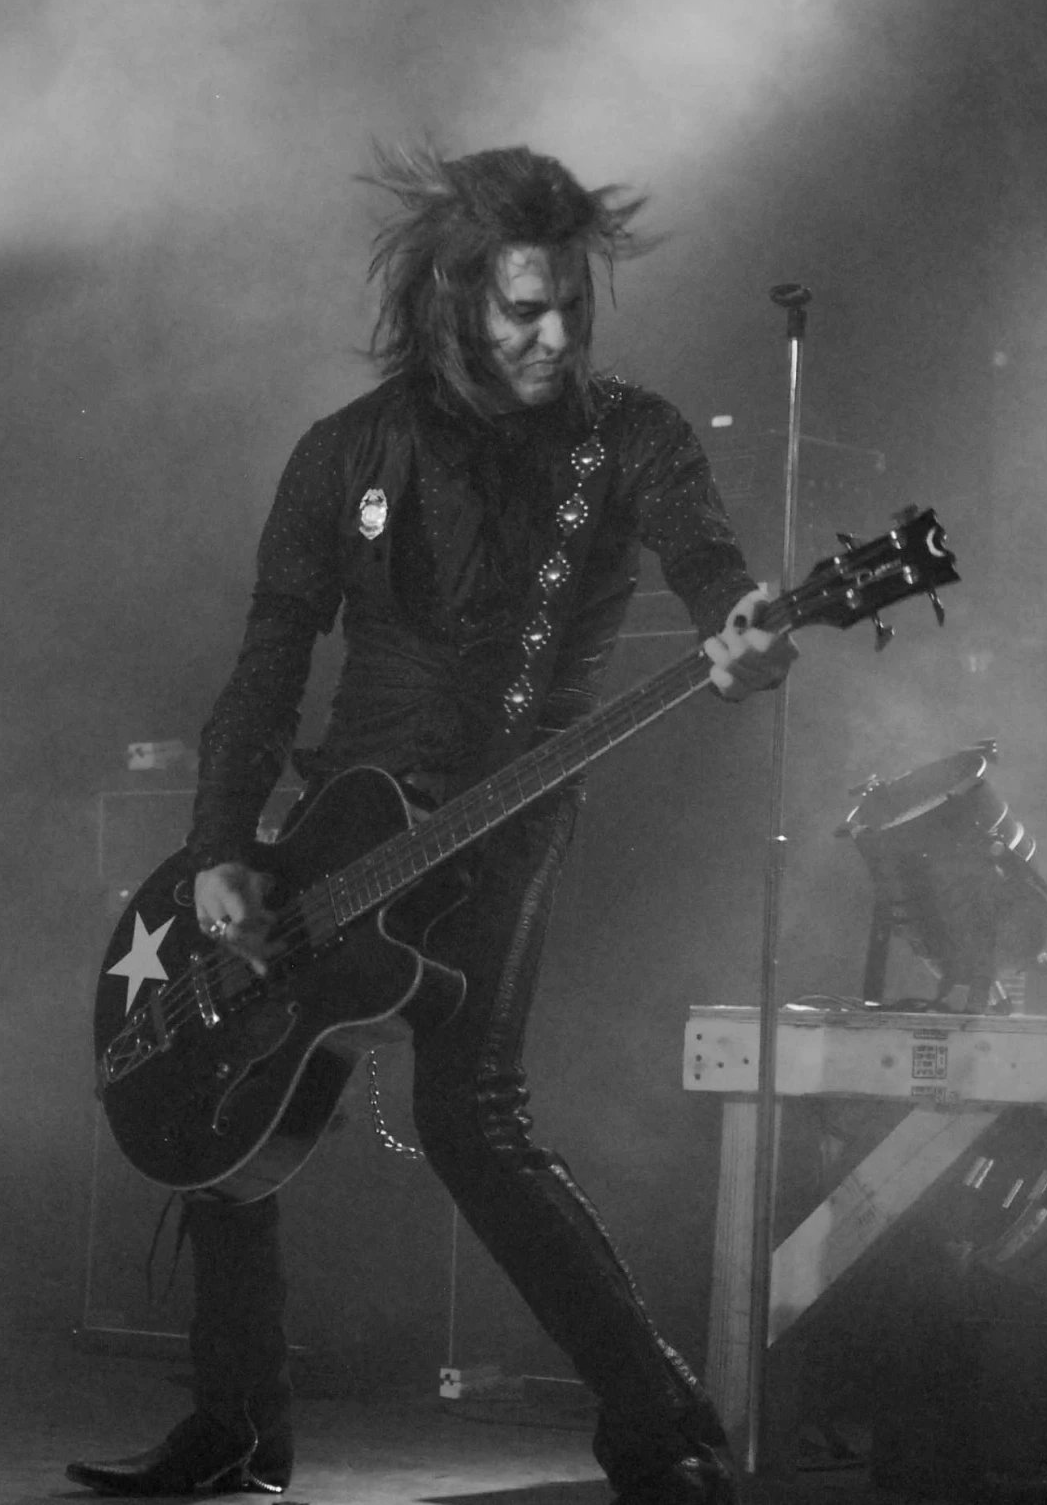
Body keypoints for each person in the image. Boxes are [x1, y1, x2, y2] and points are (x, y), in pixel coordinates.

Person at [67, 143, 794, 1505]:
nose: (554, 333)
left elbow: (705, 563)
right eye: (523, 308)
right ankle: (234, 1430)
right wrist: (223, 840)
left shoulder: (628, 434)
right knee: (228, 1111)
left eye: (570, 303)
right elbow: (271, 656)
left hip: (511, 817)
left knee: (470, 1115)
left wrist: (738, 628)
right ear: (457, 303)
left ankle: (658, 1432)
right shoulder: (344, 452)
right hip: (346, 818)